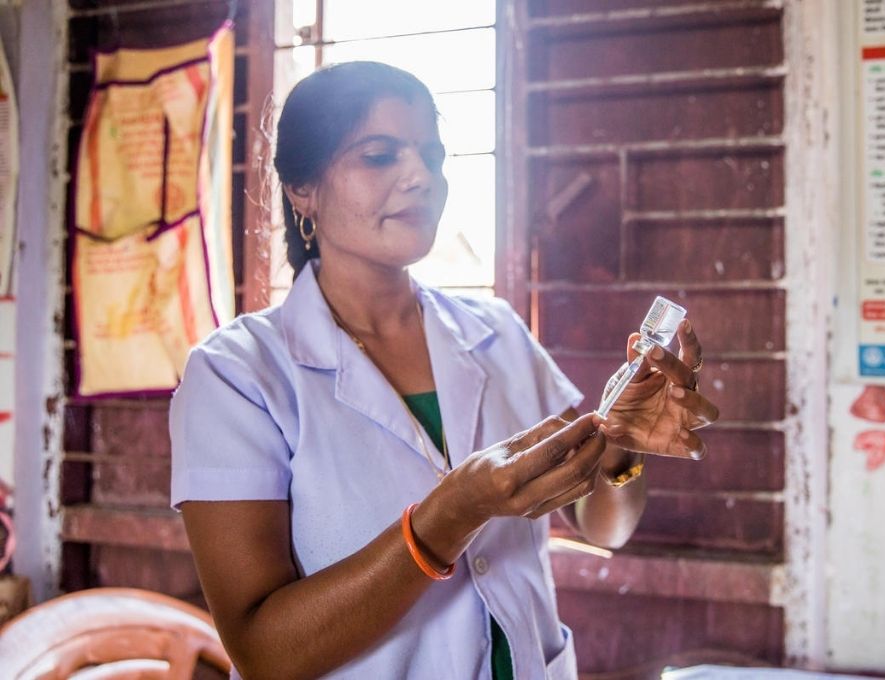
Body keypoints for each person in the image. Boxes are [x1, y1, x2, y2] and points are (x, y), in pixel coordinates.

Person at [170, 61, 718, 680]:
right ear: (303, 189)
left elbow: (606, 529)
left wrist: (620, 451)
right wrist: (450, 514)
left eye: (433, 155)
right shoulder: (238, 376)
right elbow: (263, 652)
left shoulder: (498, 334)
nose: (420, 176)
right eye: (379, 156)